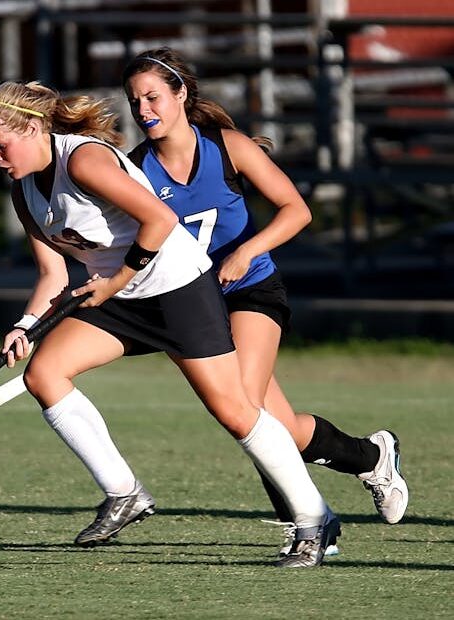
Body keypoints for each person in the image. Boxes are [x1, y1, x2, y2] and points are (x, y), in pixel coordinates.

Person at [0, 80, 339, 568]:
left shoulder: (83, 160)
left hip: (176, 287)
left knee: (235, 410)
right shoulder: (24, 192)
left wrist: (115, 279)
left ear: (36, 128)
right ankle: (124, 493)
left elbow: (160, 219)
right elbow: (52, 273)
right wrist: (25, 324)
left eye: (1, 145)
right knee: (44, 373)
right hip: (120, 296)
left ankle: (316, 518)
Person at [120, 47, 409, 550]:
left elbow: (296, 211)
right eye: (134, 100)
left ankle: (311, 525)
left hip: (252, 288)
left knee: (245, 407)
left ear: (181, 94)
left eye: (153, 97)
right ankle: (370, 457)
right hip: (195, 303)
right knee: (281, 427)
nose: (144, 110)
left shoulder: (228, 147)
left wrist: (245, 251)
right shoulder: (136, 169)